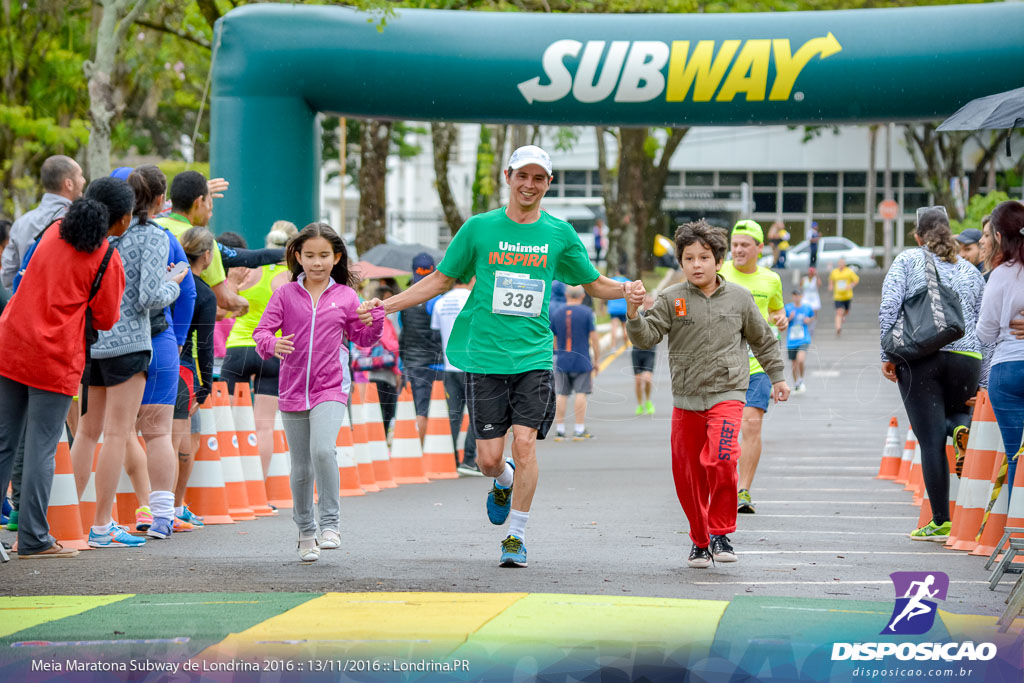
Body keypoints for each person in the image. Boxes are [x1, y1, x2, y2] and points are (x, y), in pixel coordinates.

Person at [358, 144, 644, 568]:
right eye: (522, 176)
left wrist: (626, 289)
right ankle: (503, 481)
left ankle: (516, 535)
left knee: (526, 445)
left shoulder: (559, 234)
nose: (530, 184)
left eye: (539, 178)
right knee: (489, 460)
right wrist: (387, 305)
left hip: (533, 355)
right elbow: (439, 279)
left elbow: (593, 282)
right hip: (485, 355)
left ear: (549, 184)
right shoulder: (478, 229)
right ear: (507, 177)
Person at [625, 219, 789, 568]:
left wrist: (777, 377)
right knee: (688, 476)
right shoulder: (672, 298)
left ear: (718, 260)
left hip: (728, 393)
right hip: (686, 399)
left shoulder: (740, 299)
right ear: (681, 263)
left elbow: (763, 340)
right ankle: (700, 541)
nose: (696, 265)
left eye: (703, 257)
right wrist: (633, 313)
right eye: (688, 258)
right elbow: (646, 337)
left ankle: (721, 532)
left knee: (723, 457)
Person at [0, 197, 125, 558]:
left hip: (12, 342)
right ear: (120, 219)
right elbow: (105, 318)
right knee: (42, 446)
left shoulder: (52, 230)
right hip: (55, 356)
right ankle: (35, 538)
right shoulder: (105, 257)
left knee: (5, 442)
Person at [253, 223, 384, 562]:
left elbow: (364, 339)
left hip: (331, 386)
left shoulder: (345, 296)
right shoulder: (284, 294)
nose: (316, 262)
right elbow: (262, 332)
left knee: (323, 450)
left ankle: (330, 525)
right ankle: (305, 532)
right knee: (300, 467)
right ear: (297, 256)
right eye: (309, 255)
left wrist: (377, 320)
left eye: (324, 255)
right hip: (293, 388)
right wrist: (271, 342)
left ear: (336, 257)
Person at [68, 178, 185, 548]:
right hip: (129, 343)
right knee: (118, 433)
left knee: (86, 433)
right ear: (159, 199)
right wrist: (175, 282)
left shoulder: (89, 232)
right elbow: (150, 296)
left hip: (91, 341)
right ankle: (102, 525)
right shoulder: (152, 236)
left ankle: (67, 517)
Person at [880, 207, 985, 541]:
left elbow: (889, 306)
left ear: (917, 236)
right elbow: (984, 325)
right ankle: (961, 428)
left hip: (920, 356)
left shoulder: (907, 260)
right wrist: (982, 381)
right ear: (950, 233)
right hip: (967, 357)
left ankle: (940, 520)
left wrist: (888, 354)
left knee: (929, 440)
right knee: (955, 414)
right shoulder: (970, 270)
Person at [126, 166, 197, 535]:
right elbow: (188, 293)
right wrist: (180, 338)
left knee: (112, 432)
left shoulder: (109, 237)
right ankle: (163, 517)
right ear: (160, 199)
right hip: (161, 338)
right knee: (158, 434)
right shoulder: (163, 237)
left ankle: (100, 518)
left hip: (112, 342)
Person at [719, 219, 787, 515]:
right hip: (722, 363)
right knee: (724, 429)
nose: (738, 250)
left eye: (745, 245)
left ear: (760, 247)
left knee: (751, 423)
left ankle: (743, 490)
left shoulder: (770, 280)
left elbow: (777, 311)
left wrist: (782, 319)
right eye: (734, 245)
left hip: (757, 363)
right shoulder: (719, 272)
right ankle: (722, 483)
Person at [220, 222, 294, 483]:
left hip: (238, 347)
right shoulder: (290, 276)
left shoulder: (248, 268)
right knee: (264, 425)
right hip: (273, 351)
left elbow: (227, 306)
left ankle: (227, 481)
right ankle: (256, 487)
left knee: (226, 418)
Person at [976, 200, 1024, 503]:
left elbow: (985, 333)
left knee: (1016, 458)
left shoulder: (1001, 274)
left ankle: (1020, 534)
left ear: (998, 236)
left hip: (1007, 372)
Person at [155, 171, 248, 316]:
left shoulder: (152, 225)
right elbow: (224, 301)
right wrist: (245, 303)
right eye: (209, 203)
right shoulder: (204, 241)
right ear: (198, 202)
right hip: (182, 329)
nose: (210, 212)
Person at [174, 226, 219, 528]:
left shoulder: (168, 278)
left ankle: (151, 505)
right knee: (185, 441)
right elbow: (205, 345)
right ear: (207, 255)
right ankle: (173, 506)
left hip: (147, 361)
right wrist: (206, 387)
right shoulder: (202, 293)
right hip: (183, 368)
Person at [1, 155, 86, 290]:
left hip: (26, 304)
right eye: (80, 176)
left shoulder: (21, 223)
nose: (84, 180)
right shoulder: (77, 222)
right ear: (68, 184)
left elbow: (8, 274)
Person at [431, 278, 480, 475]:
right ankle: (468, 459)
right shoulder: (475, 299)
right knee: (477, 415)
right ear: (471, 278)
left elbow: (435, 334)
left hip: (449, 366)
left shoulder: (440, 302)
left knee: (453, 415)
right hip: (473, 366)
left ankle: (449, 459)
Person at [399, 253, 445, 443]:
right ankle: (429, 452)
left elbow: (403, 331)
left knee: (419, 408)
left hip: (411, 362)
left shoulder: (404, 300)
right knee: (438, 409)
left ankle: (420, 448)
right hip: (435, 363)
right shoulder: (437, 299)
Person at [551, 285, 601, 441]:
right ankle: (579, 429)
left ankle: (560, 429)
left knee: (562, 393)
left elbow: (553, 338)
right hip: (582, 358)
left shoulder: (557, 313)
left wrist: (559, 351)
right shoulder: (587, 313)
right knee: (581, 393)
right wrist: (597, 359)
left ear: (566, 295)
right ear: (582, 296)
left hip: (562, 359)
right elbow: (594, 338)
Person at [351, 286, 402, 432]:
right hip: (385, 374)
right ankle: (380, 445)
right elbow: (391, 346)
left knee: (376, 412)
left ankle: (377, 443)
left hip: (372, 372)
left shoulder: (369, 318)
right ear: (385, 297)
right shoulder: (383, 320)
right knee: (385, 413)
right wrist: (397, 370)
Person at [785, 289, 815, 393]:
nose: (796, 298)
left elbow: (812, 316)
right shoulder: (788, 308)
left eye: (798, 296)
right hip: (792, 340)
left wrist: (809, 320)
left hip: (804, 339)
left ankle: (801, 378)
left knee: (800, 360)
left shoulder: (806, 308)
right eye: (794, 296)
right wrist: (789, 318)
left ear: (801, 296)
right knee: (793, 364)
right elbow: (783, 322)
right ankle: (796, 382)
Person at [632, 293, 657, 416]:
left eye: (651, 303)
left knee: (647, 379)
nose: (649, 305)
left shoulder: (656, 317)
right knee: (638, 381)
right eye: (647, 303)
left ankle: (648, 401)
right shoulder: (637, 315)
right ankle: (640, 404)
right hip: (637, 352)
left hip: (650, 352)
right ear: (643, 303)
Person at [829, 257, 859, 336]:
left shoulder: (849, 271)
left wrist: (851, 285)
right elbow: (831, 279)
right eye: (840, 263)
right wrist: (831, 285)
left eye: (842, 263)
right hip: (838, 296)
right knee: (839, 312)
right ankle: (838, 327)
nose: (841, 265)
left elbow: (856, 280)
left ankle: (843, 316)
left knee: (846, 312)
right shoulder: (834, 272)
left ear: (844, 264)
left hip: (847, 295)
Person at [606, 269, 630, 350]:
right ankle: (627, 345)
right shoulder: (628, 282)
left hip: (613, 308)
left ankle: (613, 346)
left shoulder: (611, 280)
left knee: (614, 328)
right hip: (624, 309)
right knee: (625, 328)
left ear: (617, 273)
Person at [800, 267, 822, 338]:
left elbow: (819, 284)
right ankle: (805, 326)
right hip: (806, 297)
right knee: (805, 312)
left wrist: (817, 276)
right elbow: (800, 286)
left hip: (814, 297)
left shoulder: (815, 279)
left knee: (814, 312)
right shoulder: (804, 279)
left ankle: (812, 326)